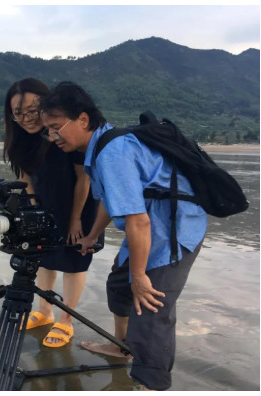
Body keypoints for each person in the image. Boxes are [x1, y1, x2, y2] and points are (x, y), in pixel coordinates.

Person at [38, 81, 207, 390]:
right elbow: (107, 200)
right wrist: (91, 235)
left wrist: (140, 275)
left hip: (172, 230)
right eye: (46, 130)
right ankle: (121, 347)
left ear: (83, 119)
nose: (52, 136)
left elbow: (138, 221)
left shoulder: (112, 153)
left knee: (150, 307)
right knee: (120, 284)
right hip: (151, 225)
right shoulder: (99, 148)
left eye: (55, 127)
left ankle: (150, 383)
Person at [3, 78, 103, 347]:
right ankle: (44, 311)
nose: (26, 118)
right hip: (41, 202)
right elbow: (26, 176)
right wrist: (34, 208)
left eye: (32, 110)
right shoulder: (21, 139)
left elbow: (84, 178)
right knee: (43, 257)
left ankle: (65, 320)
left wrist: (74, 220)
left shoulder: (64, 133)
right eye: (18, 113)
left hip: (77, 204)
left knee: (74, 260)